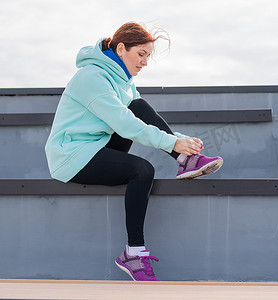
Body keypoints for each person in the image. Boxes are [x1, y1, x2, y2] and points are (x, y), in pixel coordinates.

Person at [45, 22, 223, 281]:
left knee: (137, 105)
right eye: (141, 54)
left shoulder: (125, 83)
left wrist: (182, 140)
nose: (145, 63)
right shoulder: (91, 77)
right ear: (120, 49)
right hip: (72, 155)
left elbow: (139, 120)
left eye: (148, 57)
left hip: (97, 146)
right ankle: (133, 252)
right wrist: (173, 143)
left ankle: (185, 158)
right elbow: (124, 124)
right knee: (142, 169)